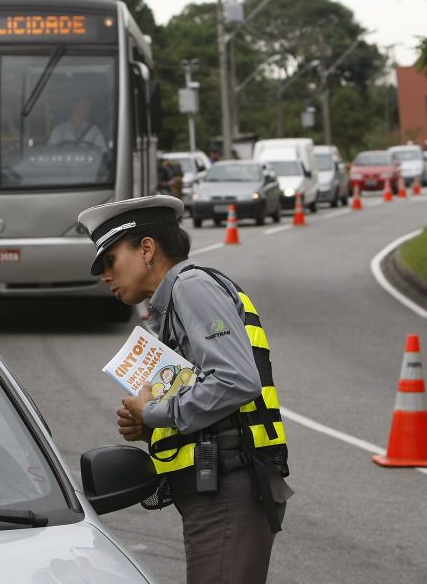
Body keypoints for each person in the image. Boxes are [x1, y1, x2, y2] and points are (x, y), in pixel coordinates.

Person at [77, 195, 293, 584]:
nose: (105, 276)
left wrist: (155, 413)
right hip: (218, 485)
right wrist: (149, 427)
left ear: (147, 249)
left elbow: (236, 379)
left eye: (110, 261)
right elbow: (210, 396)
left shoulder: (191, 286)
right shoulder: (173, 303)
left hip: (229, 486)